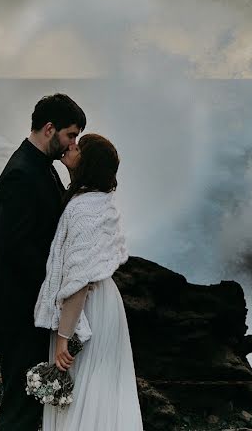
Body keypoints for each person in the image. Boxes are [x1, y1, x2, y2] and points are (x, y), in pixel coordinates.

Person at [0, 93, 86, 431]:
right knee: (20, 400)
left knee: (31, 397)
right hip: (18, 305)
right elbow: (16, 247)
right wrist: (57, 291)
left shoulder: (42, 167)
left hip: (31, 304)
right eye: (71, 135)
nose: (73, 144)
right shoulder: (21, 173)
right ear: (50, 128)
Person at [34, 134, 144, 430]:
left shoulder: (82, 209)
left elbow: (79, 283)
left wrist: (62, 338)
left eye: (78, 146)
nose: (70, 146)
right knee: (102, 387)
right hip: (106, 302)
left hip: (88, 307)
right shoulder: (100, 200)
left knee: (81, 388)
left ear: (89, 162)